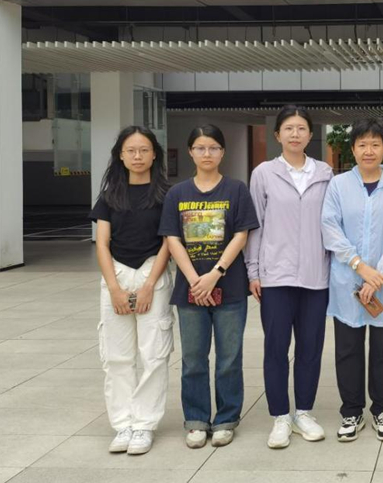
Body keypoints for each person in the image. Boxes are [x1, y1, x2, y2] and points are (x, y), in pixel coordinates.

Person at [158, 124, 259, 449]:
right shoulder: (177, 194)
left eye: (213, 148)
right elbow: (172, 238)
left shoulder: (236, 190)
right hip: (190, 292)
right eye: (200, 148)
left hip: (230, 288)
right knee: (193, 359)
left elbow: (241, 235)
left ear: (222, 152)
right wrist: (193, 280)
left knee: (229, 358)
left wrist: (216, 273)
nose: (207, 153)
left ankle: (226, 419)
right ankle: (196, 420)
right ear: (191, 152)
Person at [245, 105, 334, 449]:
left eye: (301, 128)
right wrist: (253, 270)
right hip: (276, 277)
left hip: (315, 276)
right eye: (288, 128)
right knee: (276, 348)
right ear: (277, 134)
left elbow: (332, 224)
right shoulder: (264, 173)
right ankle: (280, 416)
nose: (295, 134)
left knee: (311, 348)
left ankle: (304, 413)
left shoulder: (325, 173)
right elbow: (255, 226)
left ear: (310, 135)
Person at [321, 118, 383, 443]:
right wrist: (360, 267)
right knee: (348, 349)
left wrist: (377, 275)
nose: (369, 151)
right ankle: (351, 411)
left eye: (375, 144)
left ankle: (382, 410)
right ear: (353, 149)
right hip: (348, 279)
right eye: (362, 145)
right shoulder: (338, 185)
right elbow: (330, 226)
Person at [92, 126, 173, 456]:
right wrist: (113, 288)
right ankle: (123, 424)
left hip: (153, 273)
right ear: (121, 156)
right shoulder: (110, 195)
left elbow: (169, 241)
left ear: (154, 154)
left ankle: (144, 425)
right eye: (131, 151)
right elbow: (102, 243)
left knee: (153, 355)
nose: (137, 156)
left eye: (144, 150)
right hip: (117, 274)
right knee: (117, 357)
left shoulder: (167, 194)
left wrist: (150, 284)